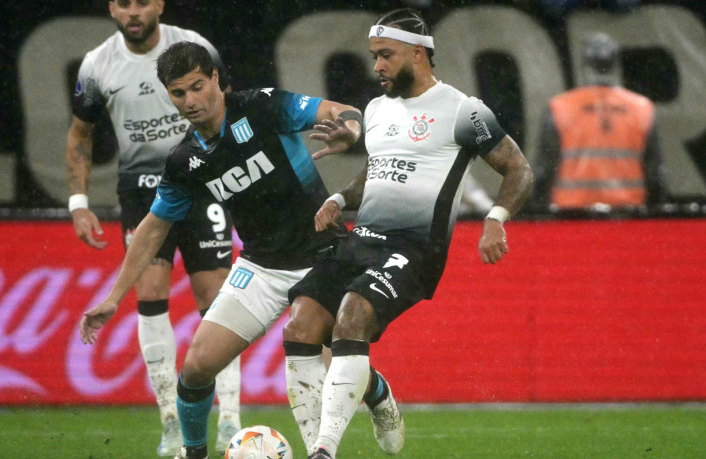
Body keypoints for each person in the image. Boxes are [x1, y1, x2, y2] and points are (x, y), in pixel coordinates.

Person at [78, 41, 364, 459]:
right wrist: (113, 297)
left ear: (215, 78)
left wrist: (350, 130)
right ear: (168, 95)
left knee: (328, 366)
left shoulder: (263, 106)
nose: (190, 101)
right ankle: (194, 454)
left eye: (197, 86)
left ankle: (372, 394)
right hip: (261, 267)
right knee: (195, 368)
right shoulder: (184, 160)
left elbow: (342, 111)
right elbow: (153, 228)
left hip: (322, 256)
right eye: (178, 93)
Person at [280, 9, 534, 458]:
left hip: (415, 248)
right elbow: (378, 173)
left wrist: (496, 216)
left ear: (417, 54)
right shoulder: (377, 110)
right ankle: (374, 393)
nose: (376, 66)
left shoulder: (463, 110)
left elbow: (518, 168)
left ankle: (323, 451)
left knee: (352, 316)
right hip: (362, 238)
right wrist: (340, 200)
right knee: (301, 322)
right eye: (373, 56)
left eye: (385, 55)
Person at [64, 1, 240, 455]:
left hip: (203, 182)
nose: (134, 12)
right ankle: (170, 423)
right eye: (124, 3)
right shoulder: (97, 64)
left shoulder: (195, 47)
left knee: (217, 299)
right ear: (111, 8)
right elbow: (80, 134)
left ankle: (231, 422)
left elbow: (232, 106)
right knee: (150, 296)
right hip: (143, 191)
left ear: (159, 4)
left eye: (142, 2)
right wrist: (79, 202)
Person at [530, 32, 665, 213]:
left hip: (571, 214)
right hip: (628, 214)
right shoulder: (642, 108)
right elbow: (655, 175)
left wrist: (538, 211)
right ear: (615, 63)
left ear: (585, 64)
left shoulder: (560, 107)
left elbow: (543, 171)